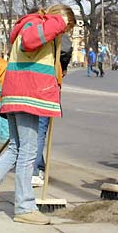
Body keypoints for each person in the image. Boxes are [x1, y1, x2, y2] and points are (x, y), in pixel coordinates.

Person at [0, 4, 76, 225]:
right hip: (28, 94)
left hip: (16, 93)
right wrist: (59, 22)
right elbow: (29, 41)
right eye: (66, 27)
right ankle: (25, 207)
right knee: (28, 152)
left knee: (15, 150)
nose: (63, 33)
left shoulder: (33, 25)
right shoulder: (36, 25)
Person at [32, 33, 73, 187]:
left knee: (32, 130)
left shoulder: (26, 31)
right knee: (40, 130)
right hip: (47, 84)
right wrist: (62, 66)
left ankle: (37, 166)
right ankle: (34, 172)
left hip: (25, 85)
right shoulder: (54, 31)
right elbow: (66, 48)